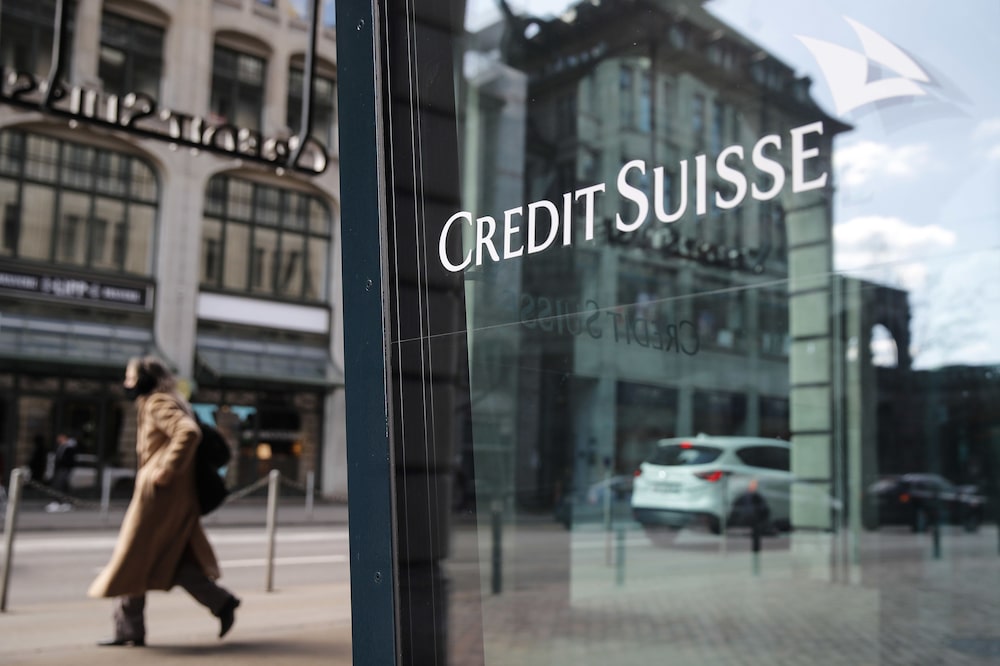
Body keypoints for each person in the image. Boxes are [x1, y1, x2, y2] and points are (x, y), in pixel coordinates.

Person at [88, 355, 240, 646]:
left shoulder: (158, 402)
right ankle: (221, 603)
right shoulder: (167, 399)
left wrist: (165, 469)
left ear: (146, 378)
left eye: (131, 378)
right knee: (172, 561)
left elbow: (188, 432)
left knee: (133, 556)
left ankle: (129, 630)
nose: (127, 384)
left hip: (161, 497)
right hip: (174, 497)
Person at [45, 432, 78, 512]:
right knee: (60, 485)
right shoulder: (61, 446)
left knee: (61, 486)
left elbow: (70, 460)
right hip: (59, 469)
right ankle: (60, 502)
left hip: (65, 469)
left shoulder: (69, 447)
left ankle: (62, 502)